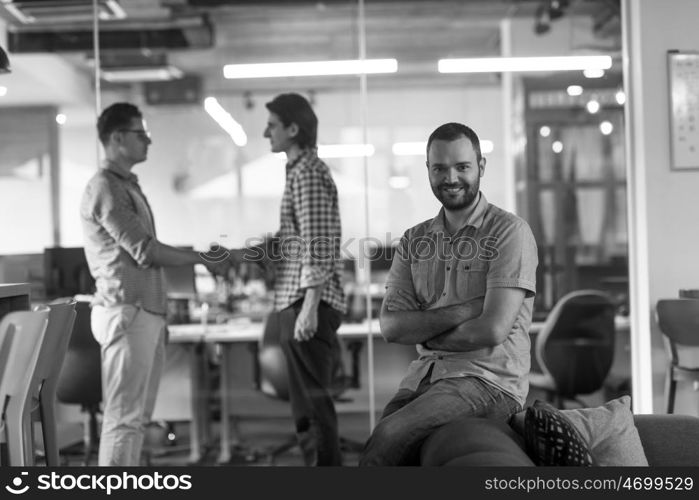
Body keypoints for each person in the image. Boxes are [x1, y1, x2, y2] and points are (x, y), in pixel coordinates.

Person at [358, 122, 538, 466]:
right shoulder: (414, 240)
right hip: (424, 376)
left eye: (462, 167)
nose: (450, 177)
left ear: (481, 167)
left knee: (387, 439)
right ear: (428, 170)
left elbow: (492, 331)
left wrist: (426, 333)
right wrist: (469, 308)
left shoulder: (509, 233)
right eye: (439, 168)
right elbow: (393, 328)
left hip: (489, 382)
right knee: (383, 441)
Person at [80, 102, 229, 466]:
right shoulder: (106, 188)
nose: (148, 141)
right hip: (126, 311)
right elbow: (144, 251)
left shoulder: (126, 186)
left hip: (143, 311)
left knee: (137, 419)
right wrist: (205, 260)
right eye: (140, 133)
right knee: (123, 419)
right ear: (116, 138)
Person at [233, 93, 346, 466]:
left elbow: (317, 242)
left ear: (293, 129)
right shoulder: (299, 172)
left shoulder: (309, 173)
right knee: (307, 409)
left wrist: (310, 307)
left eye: (273, 125)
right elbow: (299, 238)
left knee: (312, 410)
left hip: (304, 302)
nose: (266, 132)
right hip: (295, 299)